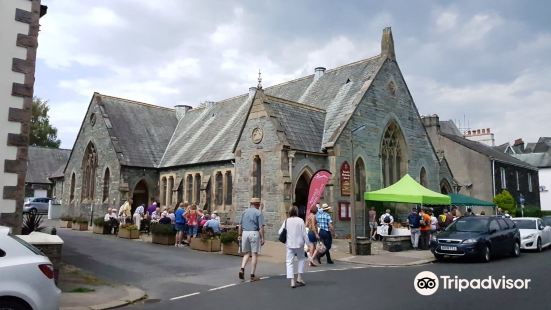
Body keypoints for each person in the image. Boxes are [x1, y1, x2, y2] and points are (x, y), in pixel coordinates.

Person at [278, 206, 309, 288]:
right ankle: (299, 277)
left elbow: (279, 232)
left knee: (289, 262)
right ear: (297, 212)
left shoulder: (287, 221)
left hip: (290, 244)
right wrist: (308, 244)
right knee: (301, 259)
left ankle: (292, 281)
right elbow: (304, 234)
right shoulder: (301, 220)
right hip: (300, 244)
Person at [238, 197, 265, 282]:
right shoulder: (258, 213)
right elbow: (261, 227)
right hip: (254, 233)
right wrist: (262, 237)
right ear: (257, 204)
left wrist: (239, 234)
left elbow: (240, 225)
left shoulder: (244, 212)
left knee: (246, 253)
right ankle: (252, 275)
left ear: (251, 204)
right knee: (254, 254)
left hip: (245, 233)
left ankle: (242, 268)